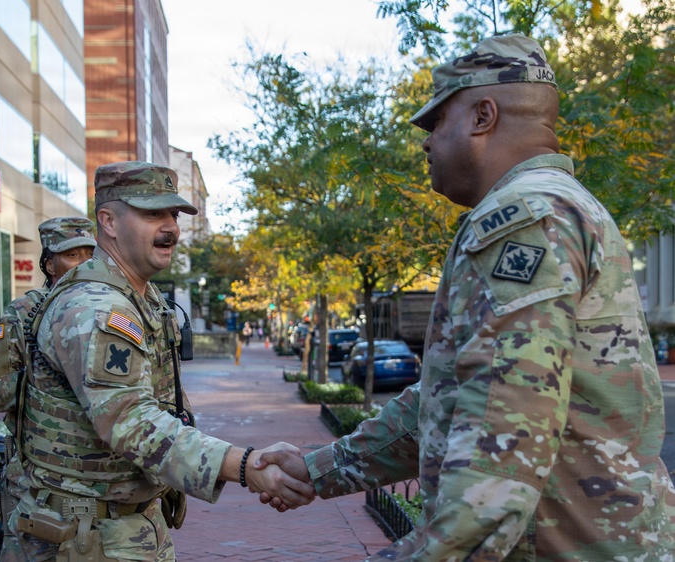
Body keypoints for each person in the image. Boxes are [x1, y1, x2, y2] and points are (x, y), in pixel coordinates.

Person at [258, 34, 675, 560]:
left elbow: (498, 456)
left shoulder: (523, 219)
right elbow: (451, 399)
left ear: (483, 116)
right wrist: (317, 470)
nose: (427, 143)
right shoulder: (552, 208)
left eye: (436, 123)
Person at [6, 161, 314, 561]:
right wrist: (245, 464)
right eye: (153, 213)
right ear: (109, 222)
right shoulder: (95, 309)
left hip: (127, 527)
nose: (170, 227)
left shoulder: (142, 299)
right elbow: (130, 421)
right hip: (82, 536)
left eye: (173, 214)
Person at [0, 217, 97, 559]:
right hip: (37, 480)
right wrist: (46, 378)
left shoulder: (109, 312)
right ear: (49, 263)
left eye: (90, 254)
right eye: (73, 255)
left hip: (97, 481)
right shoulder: (23, 313)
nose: (85, 264)